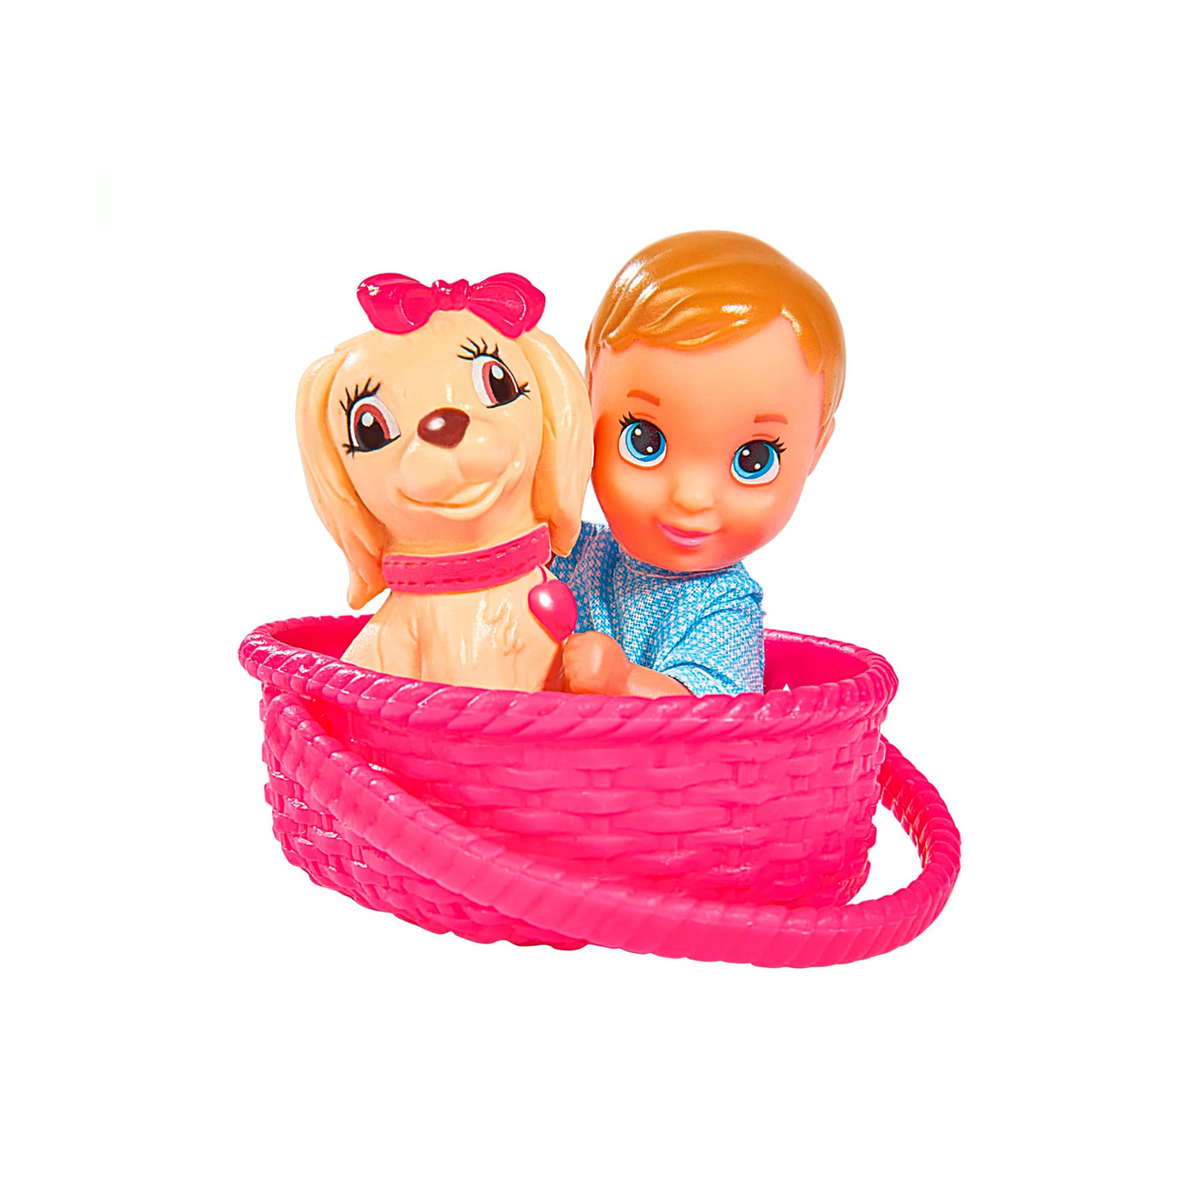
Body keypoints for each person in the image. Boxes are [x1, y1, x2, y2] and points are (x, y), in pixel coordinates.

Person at [554, 230, 846, 697]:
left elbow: (715, 715)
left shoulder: (724, 606)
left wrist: (624, 681)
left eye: (753, 460)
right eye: (645, 441)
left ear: (816, 448)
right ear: (585, 402)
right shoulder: (571, 551)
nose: (691, 497)